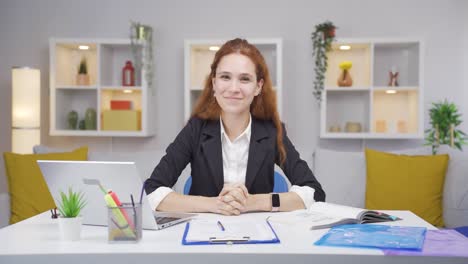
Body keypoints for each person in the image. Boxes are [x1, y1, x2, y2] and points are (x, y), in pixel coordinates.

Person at [145, 38, 325, 215]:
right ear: (214, 83)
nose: (234, 88)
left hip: (259, 237)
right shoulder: (196, 129)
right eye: (225, 77)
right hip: (203, 237)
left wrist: (254, 202)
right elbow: (152, 191)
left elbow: (314, 193)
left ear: (258, 87)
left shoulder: (271, 131)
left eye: (245, 79)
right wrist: (214, 204)